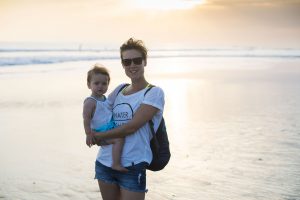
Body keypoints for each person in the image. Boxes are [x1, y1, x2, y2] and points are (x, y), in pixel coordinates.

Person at [91, 38, 165, 200]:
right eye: (127, 61)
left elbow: (131, 127)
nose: (132, 65)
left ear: (145, 61)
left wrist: (98, 136)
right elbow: (99, 108)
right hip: (105, 162)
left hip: (133, 165)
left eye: (137, 60)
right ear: (123, 64)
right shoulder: (119, 90)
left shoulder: (154, 93)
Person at [83, 64, 128, 172]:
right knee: (119, 139)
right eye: (96, 83)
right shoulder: (90, 101)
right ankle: (116, 163)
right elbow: (86, 119)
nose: (100, 86)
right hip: (100, 132)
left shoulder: (104, 99)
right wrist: (88, 134)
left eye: (104, 83)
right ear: (89, 85)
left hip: (107, 129)